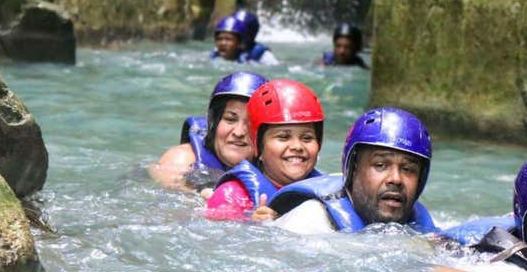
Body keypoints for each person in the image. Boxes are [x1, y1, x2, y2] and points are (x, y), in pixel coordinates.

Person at [261, 107, 437, 234]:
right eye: (380, 165)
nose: (396, 179)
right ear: (353, 170)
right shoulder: (308, 224)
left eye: (408, 169)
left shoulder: (422, 227)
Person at [204, 79, 324, 220]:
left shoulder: (329, 190)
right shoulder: (230, 196)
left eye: (307, 138)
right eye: (283, 137)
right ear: (258, 147)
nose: (297, 146)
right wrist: (255, 228)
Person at [149, 71, 267, 191]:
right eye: (230, 119)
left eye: (250, 123)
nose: (238, 132)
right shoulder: (182, 161)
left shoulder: (273, 168)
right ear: (213, 123)